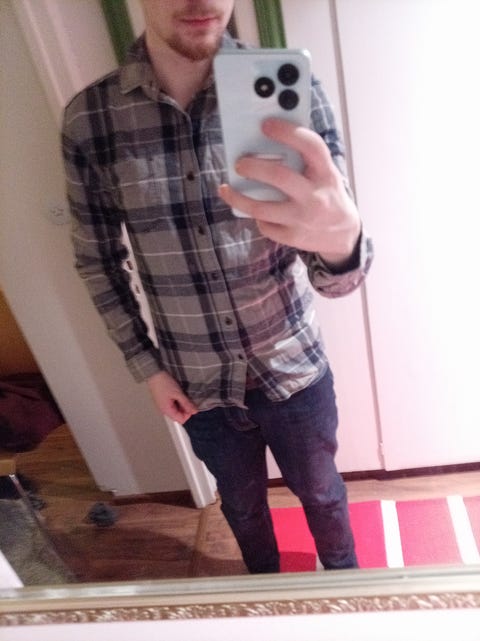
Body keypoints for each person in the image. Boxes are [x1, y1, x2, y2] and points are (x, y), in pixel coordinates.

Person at [62, 0, 373, 574]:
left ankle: (345, 587)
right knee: (243, 508)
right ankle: (263, 594)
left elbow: (337, 277)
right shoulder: (92, 119)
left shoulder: (288, 93)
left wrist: (342, 244)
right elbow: (97, 260)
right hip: (196, 383)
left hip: (293, 366)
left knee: (323, 493)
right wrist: (147, 367)